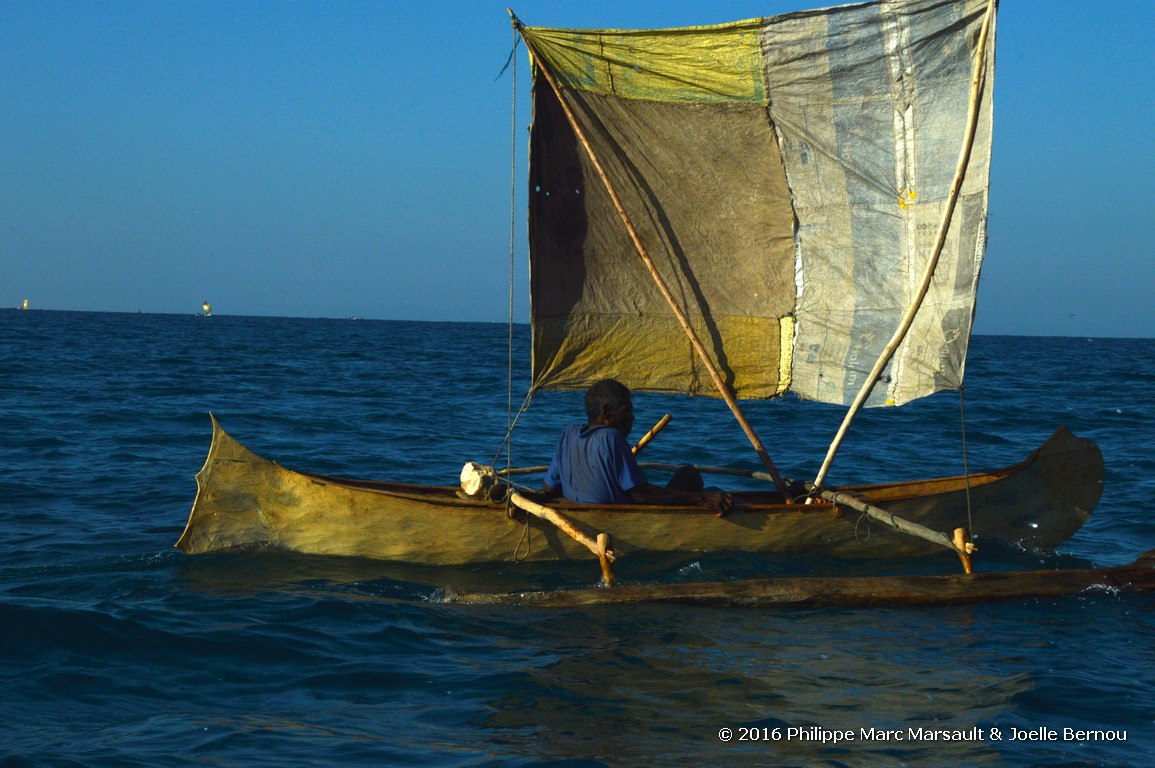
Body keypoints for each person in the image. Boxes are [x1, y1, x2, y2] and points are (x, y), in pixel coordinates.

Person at [543, 379, 734, 517]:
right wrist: (701, 498)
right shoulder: (612, 436)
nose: (632, 417)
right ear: (606, 413)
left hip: (581, 515)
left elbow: (548, 488)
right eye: (627, 410)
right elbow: (641, 495)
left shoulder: (569, 433)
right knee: (689, 475)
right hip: (614, 521)